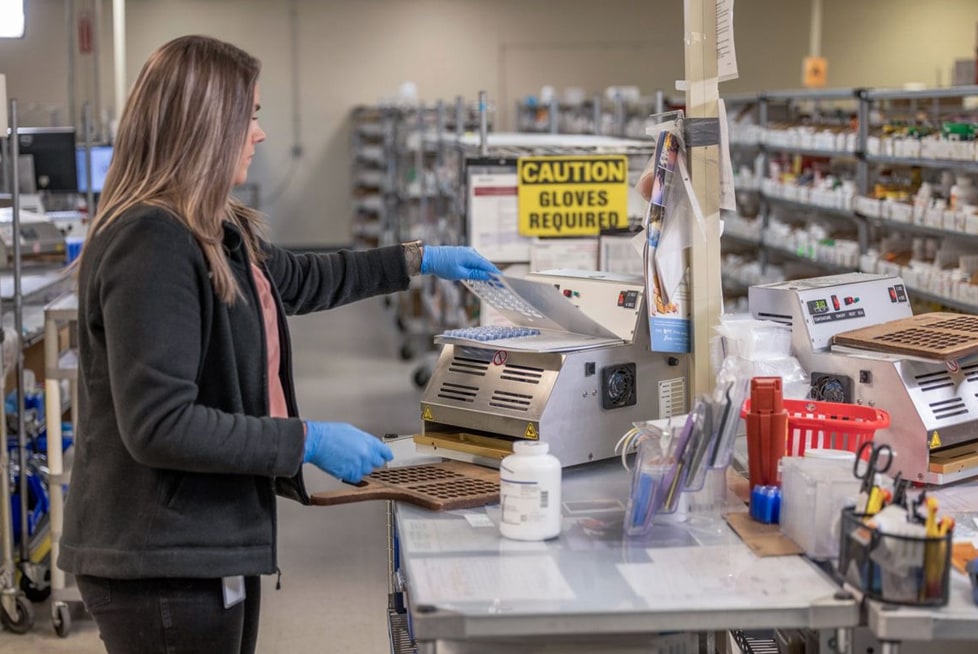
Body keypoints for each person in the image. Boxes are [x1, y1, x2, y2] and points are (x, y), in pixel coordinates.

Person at [58, 34, 499, 654]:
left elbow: (300, 279)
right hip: (159, 559)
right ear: (205, 125)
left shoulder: (213, 227)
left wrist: (419, 258)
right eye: (251, 116)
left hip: (205, 537)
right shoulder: (151, 243)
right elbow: (159, 424)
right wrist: (306, 441)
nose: (259, 134)